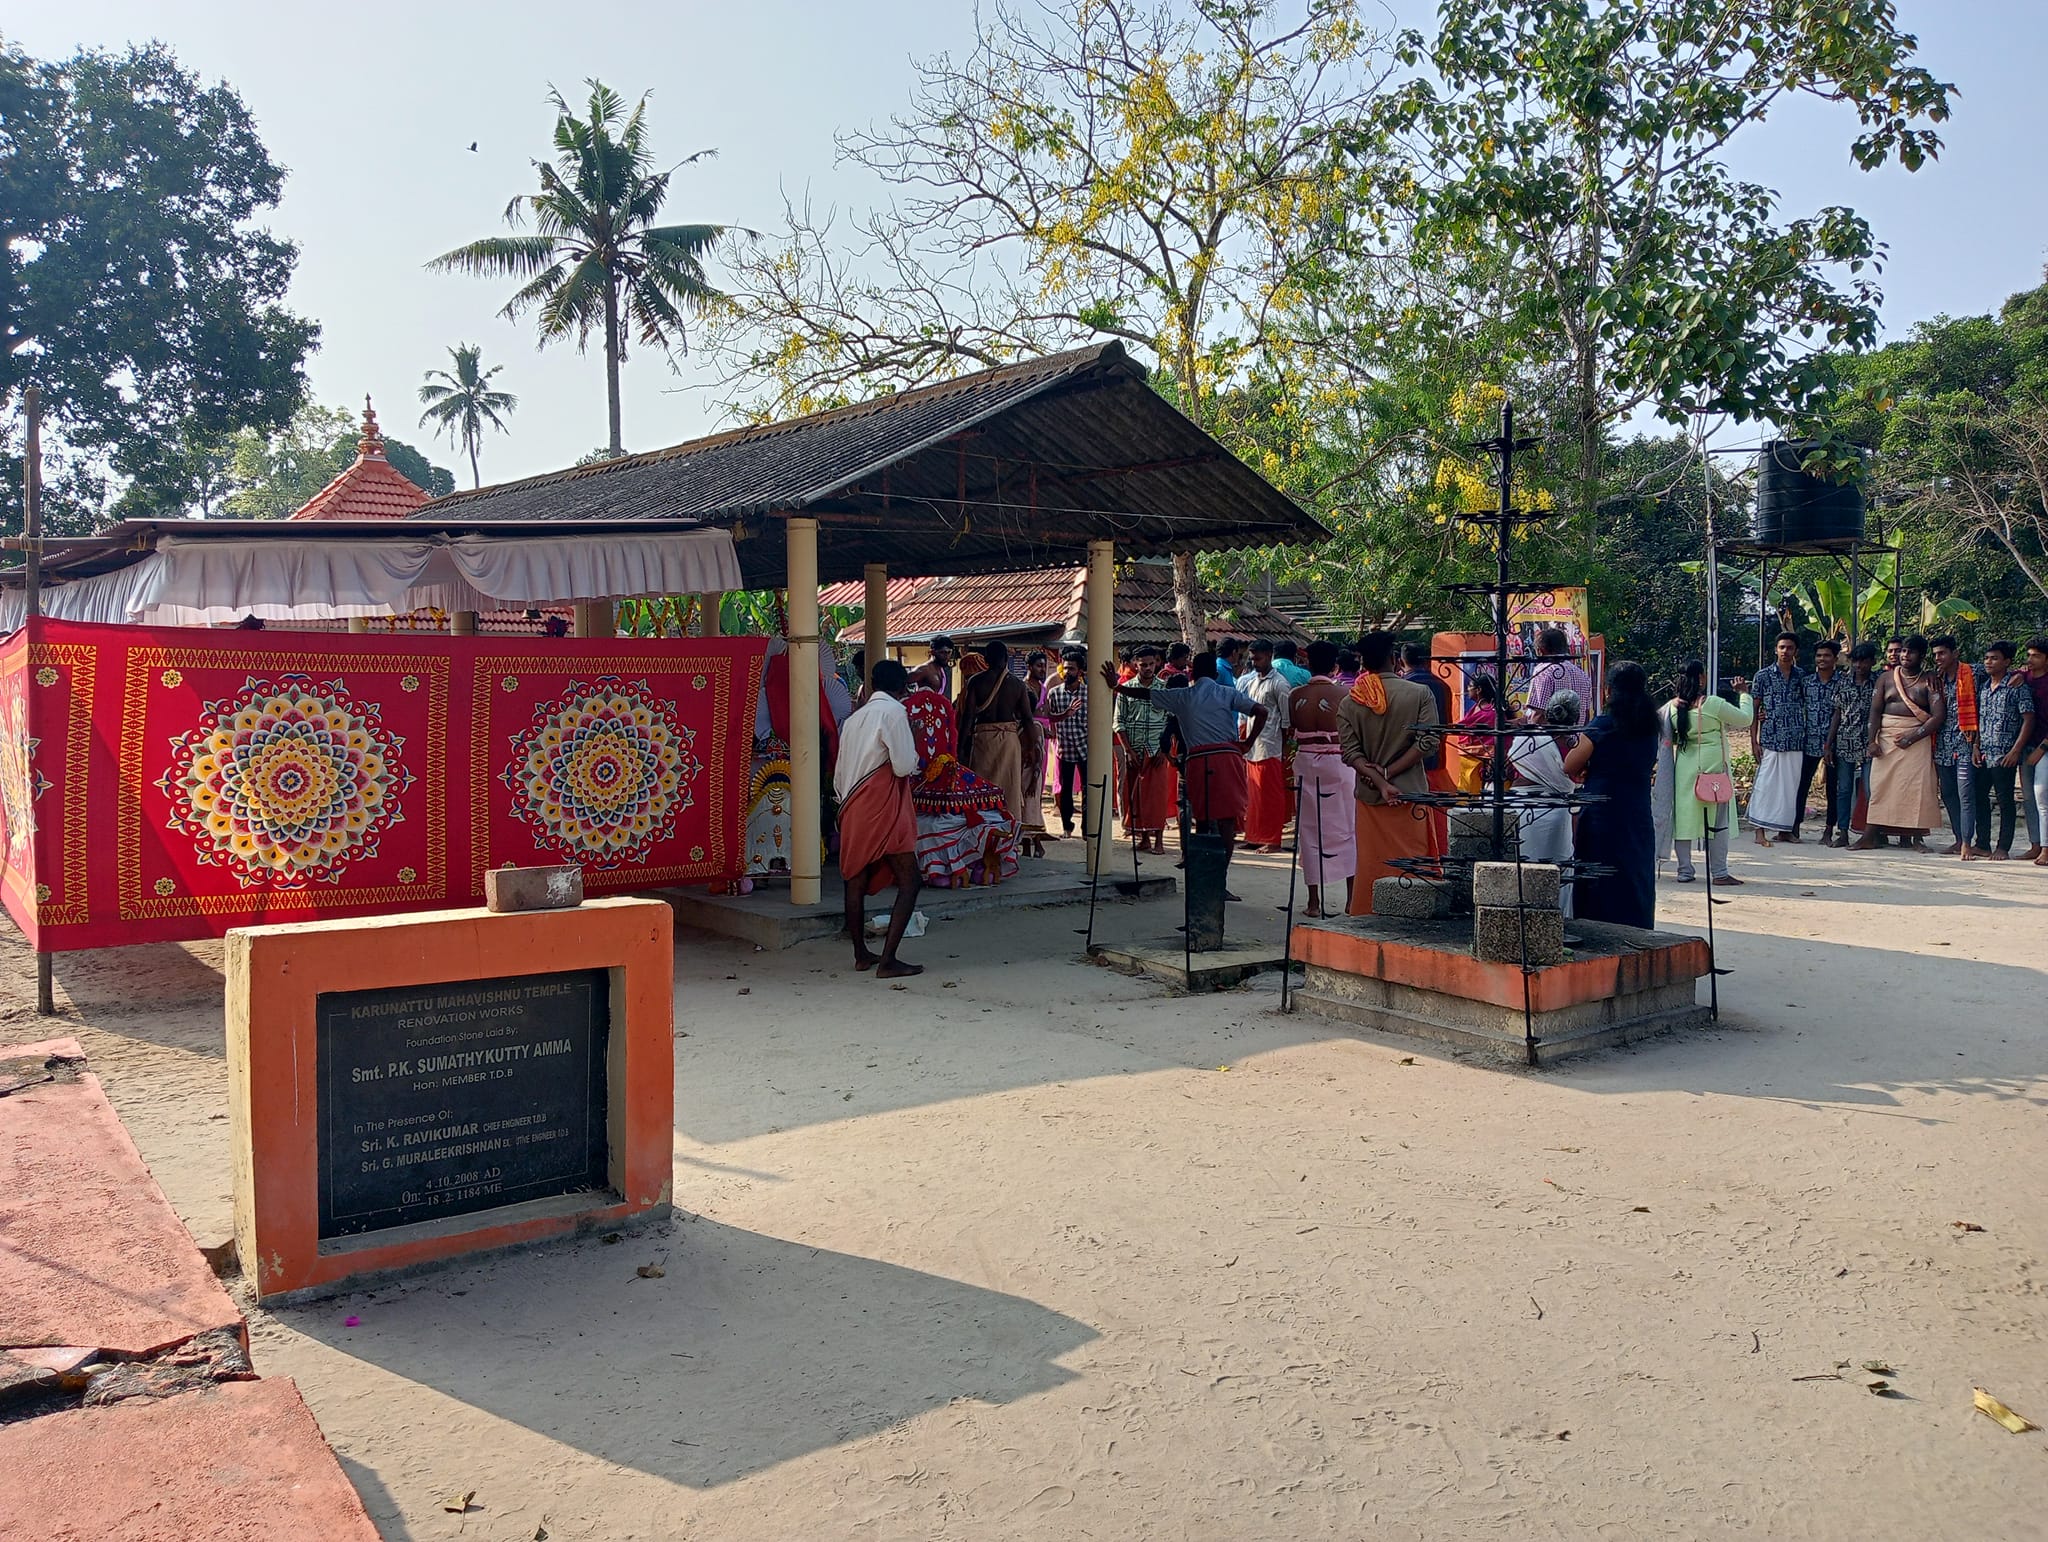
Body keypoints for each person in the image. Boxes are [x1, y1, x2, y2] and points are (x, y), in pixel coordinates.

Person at [1102, 653, 1266, 877]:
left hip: (1198, 760)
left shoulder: (1183, 696)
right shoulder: (1228, 693)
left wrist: (1116, 686)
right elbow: (1261, 711)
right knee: (1227, 821)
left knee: (1203, 820)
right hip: (1228, 757)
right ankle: (1220, 878)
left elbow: (1145, 694)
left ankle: (1201, 877)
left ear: (1192, 673)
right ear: (1216, 674)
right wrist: (1247, 743)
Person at [1338, 630, 1441, 915]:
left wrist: (1381, 780)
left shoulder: (1351, 701)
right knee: (1410, 862)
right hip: (1410, 794)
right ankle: (1412, 915)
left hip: (1370, 796)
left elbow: (1350, 753)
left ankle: (1369, 915)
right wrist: (1390, 772)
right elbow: (1429, 742)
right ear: (1394, 659)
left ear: (1364, 664)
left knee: (1372, 862)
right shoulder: (1419, 693)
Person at [833, 661, 924, 979]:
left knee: (854, 880)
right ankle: (888, 961)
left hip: (852, 803)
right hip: (883, 803)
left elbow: (840, 774)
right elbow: (902, 766)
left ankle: (861, 954)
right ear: (902, 687)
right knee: (910, 881)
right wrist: (914, 752)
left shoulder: (854, 719)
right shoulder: (895, 713)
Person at [1564, 660, 1661, 928]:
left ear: (1608, 691)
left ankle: (1597, 929)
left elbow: (1569, 765)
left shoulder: (1603, 724)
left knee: (1600, 874)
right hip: (1637, 810)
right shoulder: (1650, 726)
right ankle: (1637, 927)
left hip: (1602, 812)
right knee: (1634, 872)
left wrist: (1588, 768)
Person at [1663, 661, 1752, 885]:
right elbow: (1745, 719)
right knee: (1718, 820)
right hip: (1713, 767)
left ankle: (1685, 871)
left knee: (1683, 819)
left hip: (1684, 766)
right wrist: (1743, 695)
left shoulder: (1671, 707)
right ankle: (1719, 872)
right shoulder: (1712, 704)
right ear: (1701, 678)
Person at [1859, 634, 1945, 850]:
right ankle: (1870, 835)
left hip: (1916, 740)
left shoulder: (1929, 681)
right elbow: (1875, 711)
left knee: (1916, 790)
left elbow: (1938, 716)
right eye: (1903, 651)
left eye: (1911, 652)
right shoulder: (1885, 679)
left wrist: (1912, 737)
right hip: (1886, 740)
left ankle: (1916, 838)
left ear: (1922, 656)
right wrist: (1872, 741)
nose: (1905, 655)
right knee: (1880, 788)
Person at [1289, 641, 1356, 917]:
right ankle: (1351, 902)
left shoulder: (1295, 695)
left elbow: (1292, 729)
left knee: (1308, 829)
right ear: (1335, 666)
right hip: (1339, 763)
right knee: (1348, 828)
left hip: (1306, 762)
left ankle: (1314, 903)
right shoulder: (1346, 694)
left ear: (1308, 664)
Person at [956, 639, 1039, 844]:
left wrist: (959, 747)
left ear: (985, 660)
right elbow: (1028, 719)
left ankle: (982, 837)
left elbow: (968, 716)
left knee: (980, 790)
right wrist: (1032, 747)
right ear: (1006, 659)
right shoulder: (1018, 684)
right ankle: (1007, 840)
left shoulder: (975, 682)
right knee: (1008, 791)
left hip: (983, 739)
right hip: (1009, 742)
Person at [1509, 691, 1583, 914]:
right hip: (1557, 812)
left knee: (1522, 869)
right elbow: (1576, 781)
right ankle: (1555, 921)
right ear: (1576, 717)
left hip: (1521, 808)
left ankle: (1521, 917)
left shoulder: (1528, 737)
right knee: (1557, 871)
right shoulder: (1577, 743)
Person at [1970, 641, 2034, 860]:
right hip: (1984, 753)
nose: (1989, 662)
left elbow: (2028, 719)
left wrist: (2016, 750)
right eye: (1987, 658)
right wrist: (1976, 747)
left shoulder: (2017, 686)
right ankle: (1982, 843)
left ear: (2007, 662)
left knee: (2005, 800)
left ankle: (2003, 847)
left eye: (1994, 658)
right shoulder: (1985, 688)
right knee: (1979, 798)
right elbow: (1979, 720)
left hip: (2005, 754)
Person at [1747, 632, 1810, 844]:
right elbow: (1753, 710)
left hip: (1794, 739)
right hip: (1771, 739)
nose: (1785, 651)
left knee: (1789, 788)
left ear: (1795, 651)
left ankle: (1784, 830)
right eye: (1782, 647)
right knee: (1765, 785)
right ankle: (1759, 831)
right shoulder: (1763, 676)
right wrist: (1754, 741)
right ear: (1776, 649)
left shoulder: (1802, 676)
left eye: (1789, 648)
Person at [1115, 645, 1177, 854]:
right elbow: (1118, 722)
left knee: (1157, 797)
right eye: (1143, 665)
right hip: (1134, 751)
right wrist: (1128, 750)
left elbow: (1171, 722)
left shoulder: (1164, 688)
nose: (1148, 668)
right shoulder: (1126, 689)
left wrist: (1163, 750)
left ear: (1157, 662)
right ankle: (1143, 838)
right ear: (1135, 664)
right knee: (1136, 797)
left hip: (1155, 752)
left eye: (1151, 664)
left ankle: (1158, 840)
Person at [1239, 640, 1293, 850]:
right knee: (1254, 795)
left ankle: (1272, 840)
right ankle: (1254, 836)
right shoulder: (1252, 682)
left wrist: (1285, 750)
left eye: (1258, 658)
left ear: (1269, 656)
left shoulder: (1279, 684)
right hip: (1253, 746)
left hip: (1271, 747)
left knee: (1270, 796)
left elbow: (1287, 722)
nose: (1254, 663)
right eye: (1252, 658)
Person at [1403, 641, 1454, 855]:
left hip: (1407, 762)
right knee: (1437, 815)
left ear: (1402, 660)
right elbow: (1447, 725)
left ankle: (1415, 857)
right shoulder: (1443, 685)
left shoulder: (1403, 686)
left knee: (1411, 815)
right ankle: (1439, 857)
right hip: (1437, 760)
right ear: (1427, 659)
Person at [1826, 643, 1879, 849]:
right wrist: (1828, 744)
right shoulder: (1843, 682)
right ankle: (1843, 832)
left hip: (1870, 743)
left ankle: (1871, 833)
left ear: (1872, 661)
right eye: (1855, 661)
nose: (1859, 665)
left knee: (1870, 788)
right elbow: (1837, 714)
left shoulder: (1879, 682)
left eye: (1864, 661)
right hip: (1845, 740)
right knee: (1844, 789)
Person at [1930, 635, 1979, 856]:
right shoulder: (1936, 679)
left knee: (1966, 793)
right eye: (1935, 655)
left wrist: (2018, 676)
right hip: (1942, 745)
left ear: (1954, 654)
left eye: (1942, 653)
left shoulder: (1973, 673)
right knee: (1948, 793)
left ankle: (1968, 842)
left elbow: (2002, 675)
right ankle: (1959, 838)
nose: (1938, 658)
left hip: (1966, 743)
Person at [1803, 640, 1851, 844]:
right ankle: (1794, 827)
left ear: (1835, 658)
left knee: (1834, 788)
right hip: (1809, 742)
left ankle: (1829, 830)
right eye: (1819, 655)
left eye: (1827, 655)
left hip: (1835, 744)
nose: (1822, 659)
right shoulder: (1805, 682)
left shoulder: (1843, 682)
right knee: (1802, 785)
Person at [1041, 651, 1090, 837]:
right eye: (1066, 668)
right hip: (1064, 748)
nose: (1068, 672)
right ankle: (1066, 827)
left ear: (1080, 671)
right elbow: (1049, 717)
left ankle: (1087, 829)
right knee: (1065, 791)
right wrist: (1063, 716)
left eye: (1072, 668)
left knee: (1088, 791)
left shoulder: (1088, 694)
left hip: (1085, 747)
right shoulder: (1054, 693)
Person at [1019, 649, 1053, 856]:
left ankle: (1034, 843)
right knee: (1026, 800)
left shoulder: (1042, 688)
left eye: (1044, 666)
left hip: (1039, 742)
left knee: (1033, 797)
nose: (1042, 670)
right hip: (1027, 741)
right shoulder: (1022, 687)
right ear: (1030, 667)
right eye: (1039, 666)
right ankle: (1031, 843)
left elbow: (1047, 713)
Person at [1528, 627, 1593, 725]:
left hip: (1549, 738)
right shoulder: (1582, 674)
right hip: (1577, 737)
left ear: (1541, 650)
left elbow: (1539, 714)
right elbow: (1586, 714)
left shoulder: (1543, 671)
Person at [2022, 637, 2048, 864]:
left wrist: (2042, 748)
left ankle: (2046, 848)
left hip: (2044, 745)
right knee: (2028, 797)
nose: (2030, 659)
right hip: (2026, 745)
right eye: (2029, 655)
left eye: (2036, 655)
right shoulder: (2023, 678)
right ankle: (2035, 844)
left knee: (2041, 794)